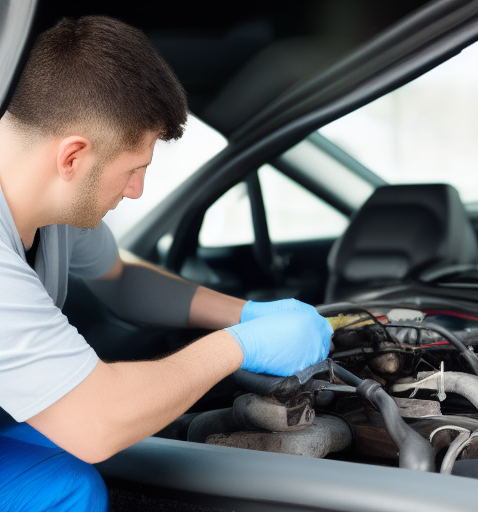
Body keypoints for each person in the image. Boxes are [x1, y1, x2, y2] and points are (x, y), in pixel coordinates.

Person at [0, 16, 333, 512]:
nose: (136, 190)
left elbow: (122, 279)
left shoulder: (53, 209)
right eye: (134, 169)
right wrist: (240, 346)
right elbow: (98, 423)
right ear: (72, 157)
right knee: (74, 486)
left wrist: (247, 314)